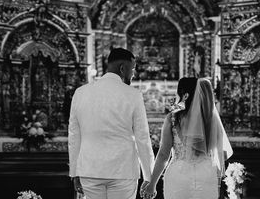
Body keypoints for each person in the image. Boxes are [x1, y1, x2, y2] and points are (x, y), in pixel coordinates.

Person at [68, 47, 154, 199]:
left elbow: (74, 137)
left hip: (90, 169)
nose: (133, 74)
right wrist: (149, 176)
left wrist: (75, 173)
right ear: (123, 68)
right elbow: (142, 138)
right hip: (123, 170)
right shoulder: (133, 95)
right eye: (132, 69)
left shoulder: (80, 93)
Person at [141, 77, 233, 199]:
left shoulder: (173, 118)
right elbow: (223, 153)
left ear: (183, 94)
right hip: (206, 174)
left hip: (179, 174)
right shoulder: (211, 120)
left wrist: (152, 184)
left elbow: (163, 154)